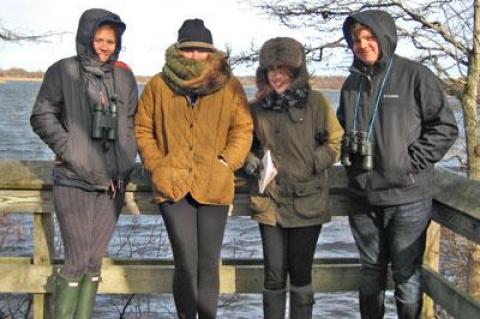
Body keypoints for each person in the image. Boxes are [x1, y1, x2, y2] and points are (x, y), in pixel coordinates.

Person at [337, 10, 458, 319]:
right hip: (363, 197)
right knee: (369, 273)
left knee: (406, 274)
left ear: (384, 37)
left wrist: (408, 163)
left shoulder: (415, 75)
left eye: (369, 37)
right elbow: (342, 125)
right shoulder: (351, 83)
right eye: (356, 40)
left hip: (408, 197)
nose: (363, 45)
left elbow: (445, 128)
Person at [135, 18, 253, 319]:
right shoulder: (158, 85)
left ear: (211, 53)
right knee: (185, 263)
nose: (195, 56)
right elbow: (143, 129)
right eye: (189, 50)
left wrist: (227, 162)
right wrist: (157, 165)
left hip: (214, 185)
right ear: (178, 51)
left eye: (201, 51)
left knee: (209, 264)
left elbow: (243, 128)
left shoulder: (230, 85)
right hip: (172, 184)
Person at [30, 8, 138, 318]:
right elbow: (41, 115)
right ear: (86, 38)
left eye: (111, 41)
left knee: (94, 261)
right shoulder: (63, 71)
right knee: (76, 261)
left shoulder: (124, 76)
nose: (105, 46)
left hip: (113, 183)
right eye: (100, 39)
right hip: (73, 179)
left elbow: (132, 119)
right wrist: (68, 147)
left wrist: (128, 154)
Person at [245, 37, 344, 319]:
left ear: (296, 71)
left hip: (307, 201)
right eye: (271, 69)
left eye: (284, 69)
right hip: (270, 202)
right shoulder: (257, 107)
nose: (277, 75)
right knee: (274, 276)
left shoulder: (316, 103)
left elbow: (335, 141)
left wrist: (312, 163)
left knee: (301, 275)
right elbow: (243, 145)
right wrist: (252, 162)